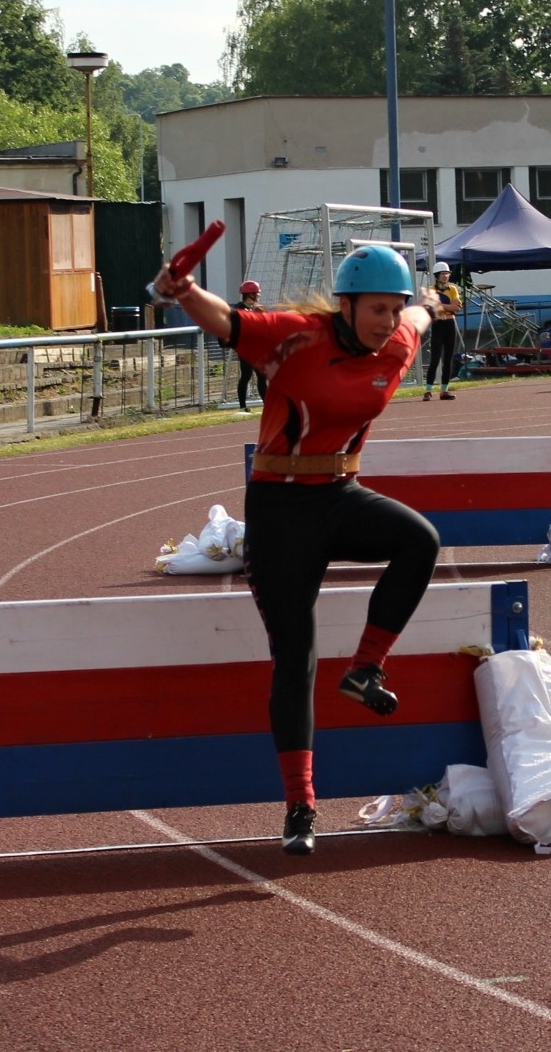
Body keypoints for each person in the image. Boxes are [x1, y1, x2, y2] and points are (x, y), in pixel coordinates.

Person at [148, 245, 443, 856]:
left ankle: (365, 670)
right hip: (280, 512)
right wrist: (182, 289)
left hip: (340, 494)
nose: (387, 321)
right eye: (376, 310)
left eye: (394, 310)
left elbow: (423, 318)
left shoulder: (398, 342)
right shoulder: (297, 338)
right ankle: (300, 805)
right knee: (296, 656)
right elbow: (227, 323)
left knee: (420, 540)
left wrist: (433, 302)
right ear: (345, 304)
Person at [424, 262, 462, 401]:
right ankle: (428, 390)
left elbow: (457, 307)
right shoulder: (431, 290)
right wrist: (448, 306)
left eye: (447, 273)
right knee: (435, 359)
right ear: (437, 276)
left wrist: (442, 306)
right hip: (438, 324)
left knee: (448, 358)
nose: (445, 276)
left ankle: (444, 390)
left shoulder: (452, 289)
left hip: (450, 323)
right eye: (442, 273)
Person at [231, 280, 268, 412]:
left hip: (256, 348)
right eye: (256, 293)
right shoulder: (239, 309)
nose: (258, 296)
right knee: (246, 375)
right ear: (250, 294)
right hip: (245, 348)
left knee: (261, 375)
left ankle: (267, 406)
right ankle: (242, 406)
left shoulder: (253, 309)